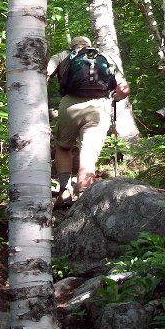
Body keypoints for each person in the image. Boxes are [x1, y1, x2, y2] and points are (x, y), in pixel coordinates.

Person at [47, 36, 130, 206]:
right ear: (90, 46)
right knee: (89, 151)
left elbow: (45, 73)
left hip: (70, 105)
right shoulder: (104, 57)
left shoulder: (63, 55)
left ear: (73, 45)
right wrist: (115, 97)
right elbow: (124, 89)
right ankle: (84, 193)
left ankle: (64, 192)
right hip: (100, 108)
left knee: (63, 147)